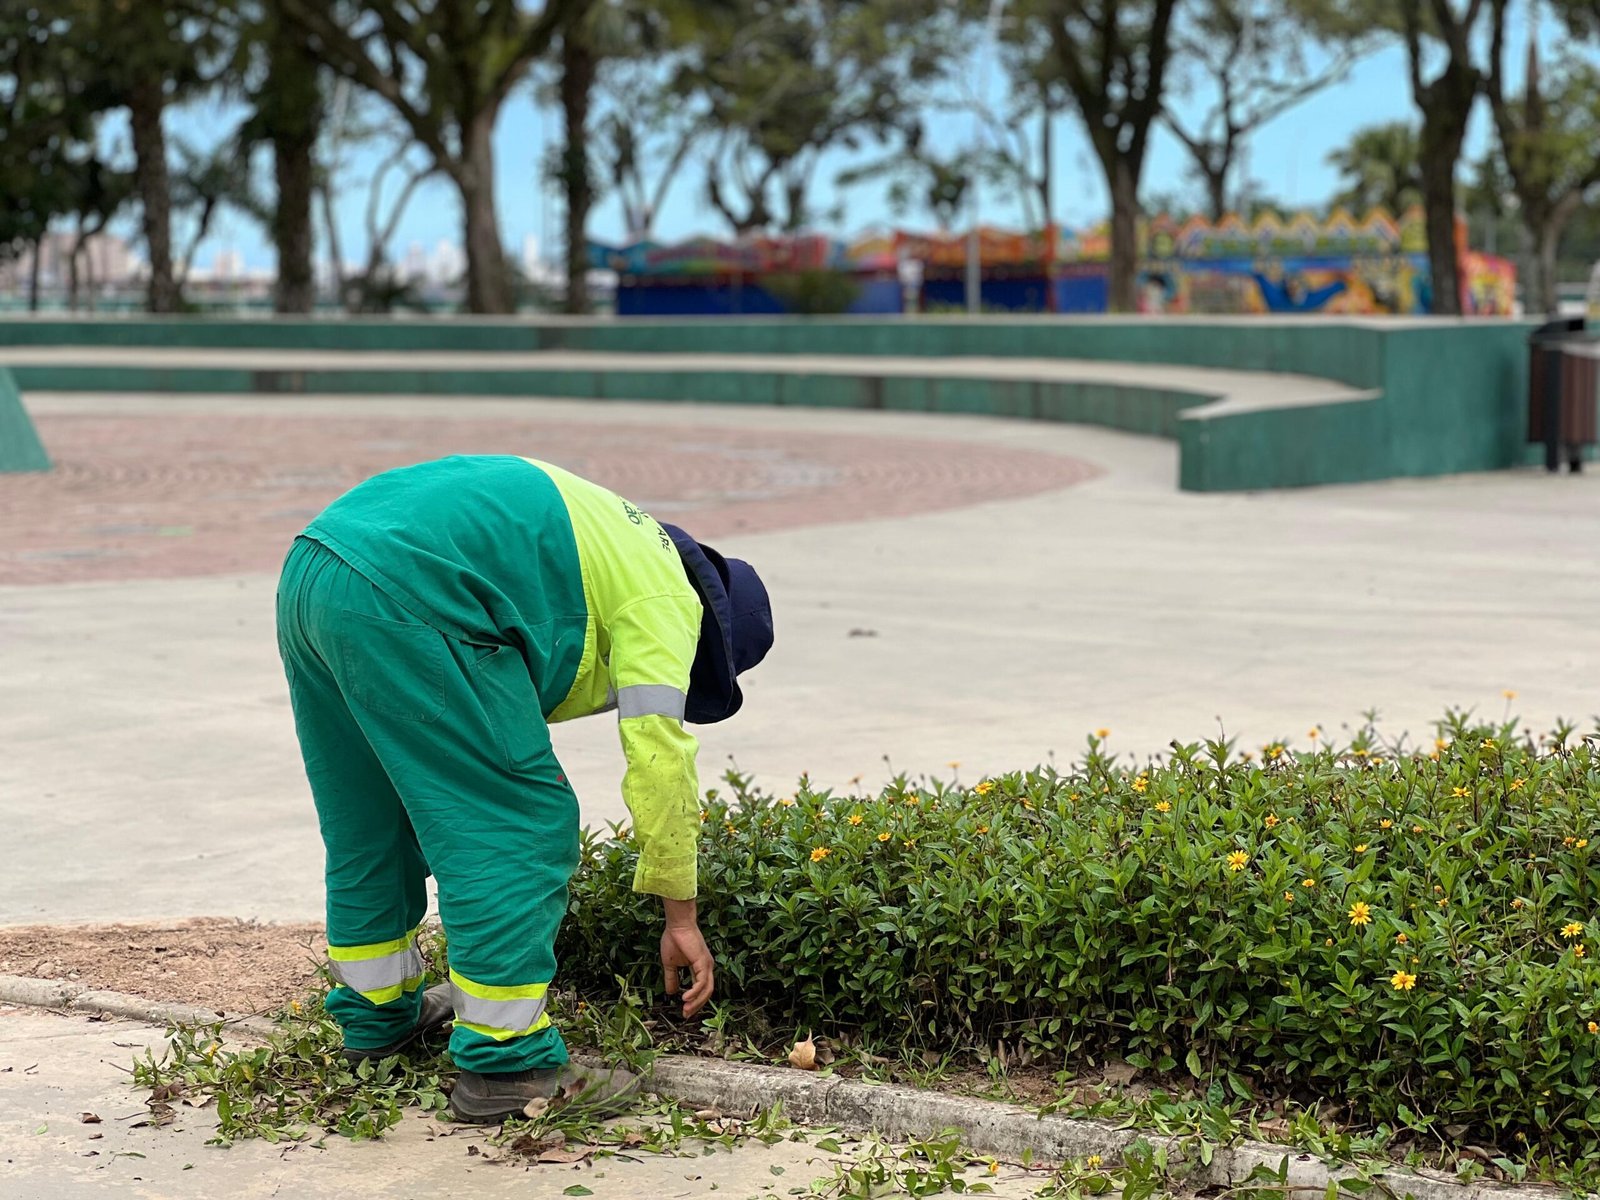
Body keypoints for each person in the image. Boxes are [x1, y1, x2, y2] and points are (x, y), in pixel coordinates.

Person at [274, 454, 773, 1123]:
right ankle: (507, 1063)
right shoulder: (667, 601)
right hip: (409, 590)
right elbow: (661, 766)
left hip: (317, 568)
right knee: (519, 821)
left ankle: (377, 1018)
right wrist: (681, 917)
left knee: (372, 817)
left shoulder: (618, 539)